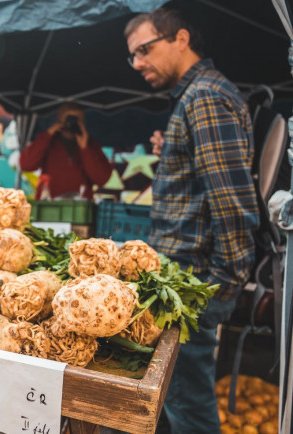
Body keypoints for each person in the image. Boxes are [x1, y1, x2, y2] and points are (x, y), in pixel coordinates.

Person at [124, 8, 259, 433]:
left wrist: (224, 283)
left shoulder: (204, 97)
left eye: (144, 50)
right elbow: (204, 184)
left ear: (181, 38)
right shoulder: (197, 98)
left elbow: (232, 201)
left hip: (194, 282)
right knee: (174, 402)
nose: (137, 63)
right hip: (184, 280)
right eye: (132, 56)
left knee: (189, 408)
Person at [18, 102, 111, 200]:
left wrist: (85, 149)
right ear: (59, 119)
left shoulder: (91, 145)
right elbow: (26, 164)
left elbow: (102, 179)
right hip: (50, 205)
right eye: (69, 118)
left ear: (83, 121)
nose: (72, 122)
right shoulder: (48, 141)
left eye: (77, 119)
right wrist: (49, 133)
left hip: (80, 207)